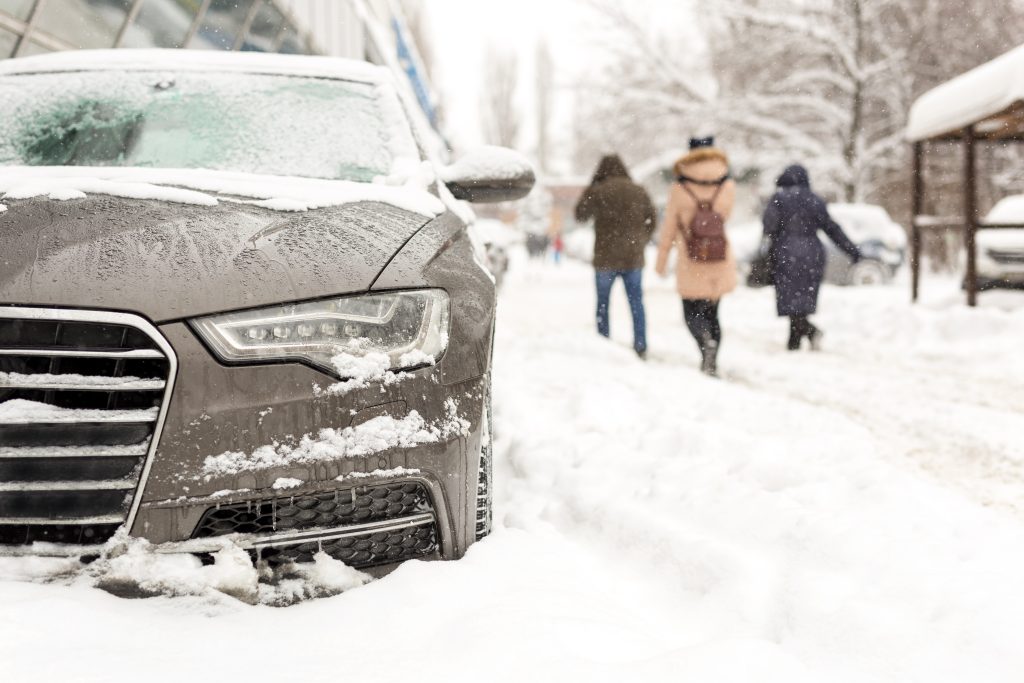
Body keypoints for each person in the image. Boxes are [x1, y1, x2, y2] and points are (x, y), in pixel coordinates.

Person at [655, 137, 737, 377]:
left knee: (691, 311)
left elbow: (670, 227)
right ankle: (712, 357)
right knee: (713, 313)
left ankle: (704, 345)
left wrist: (661, 261)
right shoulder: (727, 185)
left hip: (691, 256)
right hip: (719, 254)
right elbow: (725, 217)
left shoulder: (679, 188)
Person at [762, 164, 861, 350]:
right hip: (812, 254)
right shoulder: (815, 200)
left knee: (790, 300)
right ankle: (794, 342)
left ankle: (809, 333)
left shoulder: (779, 199)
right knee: (801, 300)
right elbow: (832, 228)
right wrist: (851, 249)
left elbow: (769, 226)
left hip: (786, 254)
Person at [575, 154, 656, 359]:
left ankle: (604, 341)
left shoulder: (599, 191)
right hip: (633, 258)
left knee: (603, 303)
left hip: (605, 258)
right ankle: (641, 345)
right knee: (636, 303)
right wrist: (640, 241)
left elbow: (579, 215)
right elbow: (652, 220)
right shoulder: (638, 191)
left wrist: (592, 188)